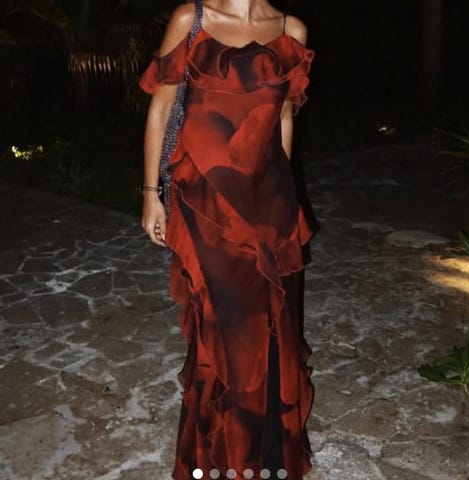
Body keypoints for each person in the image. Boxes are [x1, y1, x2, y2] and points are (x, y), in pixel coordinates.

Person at [139, 0, 317, 478]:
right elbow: (161, 108)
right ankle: (217, 456)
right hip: (206, 204)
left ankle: (266, 457)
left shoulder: (291, 29)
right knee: (224, 323)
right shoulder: (191, 19)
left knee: (270, 324)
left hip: (270, 205)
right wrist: (152, 194)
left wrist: (284, 200)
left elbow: (283, 118)